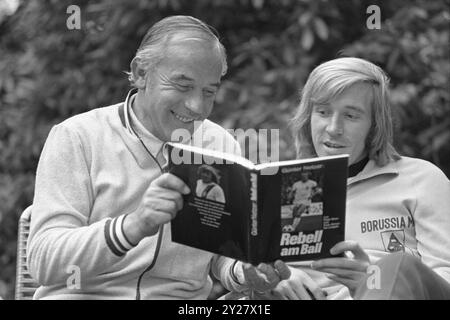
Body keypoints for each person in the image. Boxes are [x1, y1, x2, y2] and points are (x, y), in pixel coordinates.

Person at [27, 15, 290, 299]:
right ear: (141, 72)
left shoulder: (220, 144)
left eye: (209, 92)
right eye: (182, 85)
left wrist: (244, 272)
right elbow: (44, 261)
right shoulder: (78, 137)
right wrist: (133, 226)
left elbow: (220, 256)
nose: (196, 107)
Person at [268, 57, 450, 300]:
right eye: (322, 112)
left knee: (396, 266)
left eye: (351, 116)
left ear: (375, 126)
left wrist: (373, 281)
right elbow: (243, 273)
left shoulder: (422, 179)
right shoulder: (278, 185)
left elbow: (443, 281)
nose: (333, 128)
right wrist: (273, 279)